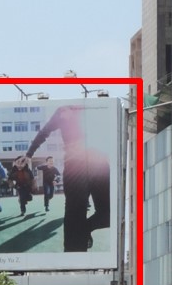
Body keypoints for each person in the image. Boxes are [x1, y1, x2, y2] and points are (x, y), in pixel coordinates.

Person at [24, 104, 111, 251]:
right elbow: (44, 131)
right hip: (75, 165)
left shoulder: (95, 106)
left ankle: (84, 230)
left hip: (99, 161)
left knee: (109, 214)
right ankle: (75, 254)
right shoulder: (62, 110)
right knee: (74, 218)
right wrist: (29, 154)